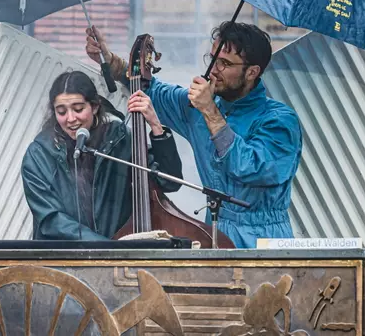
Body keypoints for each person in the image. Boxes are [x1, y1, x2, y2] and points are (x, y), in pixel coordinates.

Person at [86, 22, 302, 248]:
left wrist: (210, 111)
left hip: (262, 238)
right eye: (212, 59)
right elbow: (154, 91)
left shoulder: (279, 120)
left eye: (225, 63)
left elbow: (250, 169)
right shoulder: (197, 108)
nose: (214, 70)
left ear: (252, 72)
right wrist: (110, 61)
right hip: (214, 230)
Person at [21, 70, 183, 241]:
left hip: (114, 256)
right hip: (63, 260)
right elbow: (50, 219)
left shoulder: (119, 140)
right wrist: (106, 248)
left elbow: (169, 182)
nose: (70, 118)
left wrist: (156, 126)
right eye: (61, 112)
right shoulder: (38, 154)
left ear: (95, 107)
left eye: (78, 109)